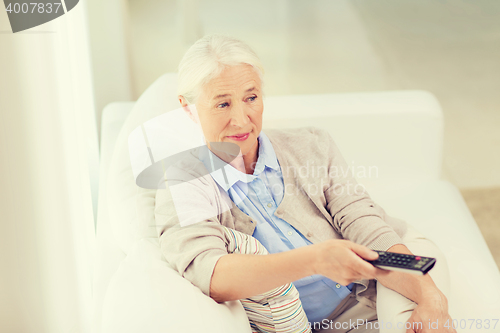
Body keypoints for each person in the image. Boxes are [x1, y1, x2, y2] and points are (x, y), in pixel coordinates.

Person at [154, 34, 456, 333]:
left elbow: (364, 223)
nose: (242, 120)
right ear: (187, 109)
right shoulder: (183, 183)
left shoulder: (312, 145)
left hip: (370, 299)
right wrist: (313, 261)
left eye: (251, 98)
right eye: (222, 104)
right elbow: (212, 275)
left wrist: (431, 296)